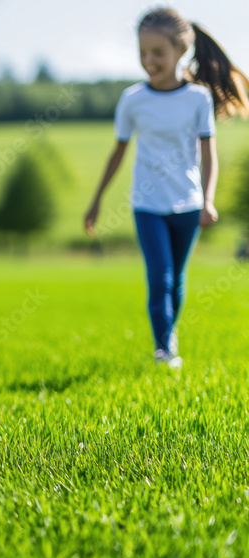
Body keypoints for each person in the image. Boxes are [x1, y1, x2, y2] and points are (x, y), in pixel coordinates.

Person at [85, 8, 248, 369]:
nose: (149, 60)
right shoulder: (132, 99)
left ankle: (167, 338)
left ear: (180, 51)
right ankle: (164, 350)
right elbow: (118, 152)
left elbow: (209, 155)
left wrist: (208, 200)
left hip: (188, 205)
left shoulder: (198, 99)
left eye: (157, 52)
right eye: (143, 52)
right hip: (147, 203)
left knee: (176, 281)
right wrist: (96, 201)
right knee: (160, 277)